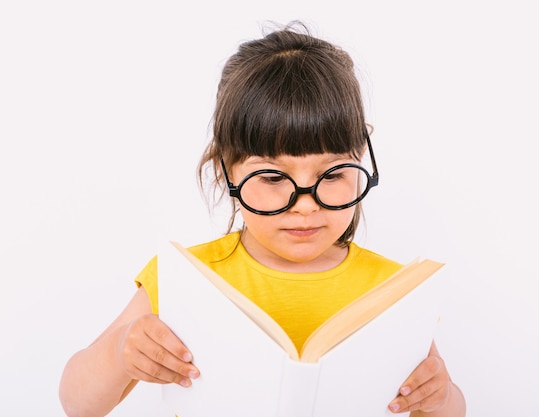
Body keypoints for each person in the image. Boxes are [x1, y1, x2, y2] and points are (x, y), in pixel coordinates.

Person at [59, 21, 466, 417]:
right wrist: (121, 353)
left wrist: (440, 397)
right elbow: (77, 404)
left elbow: (443, 407)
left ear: (360, 159)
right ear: (226, 171)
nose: (305, 205)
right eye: (272, 177)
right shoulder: (186, 279)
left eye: (334, 175)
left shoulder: (395, 292)